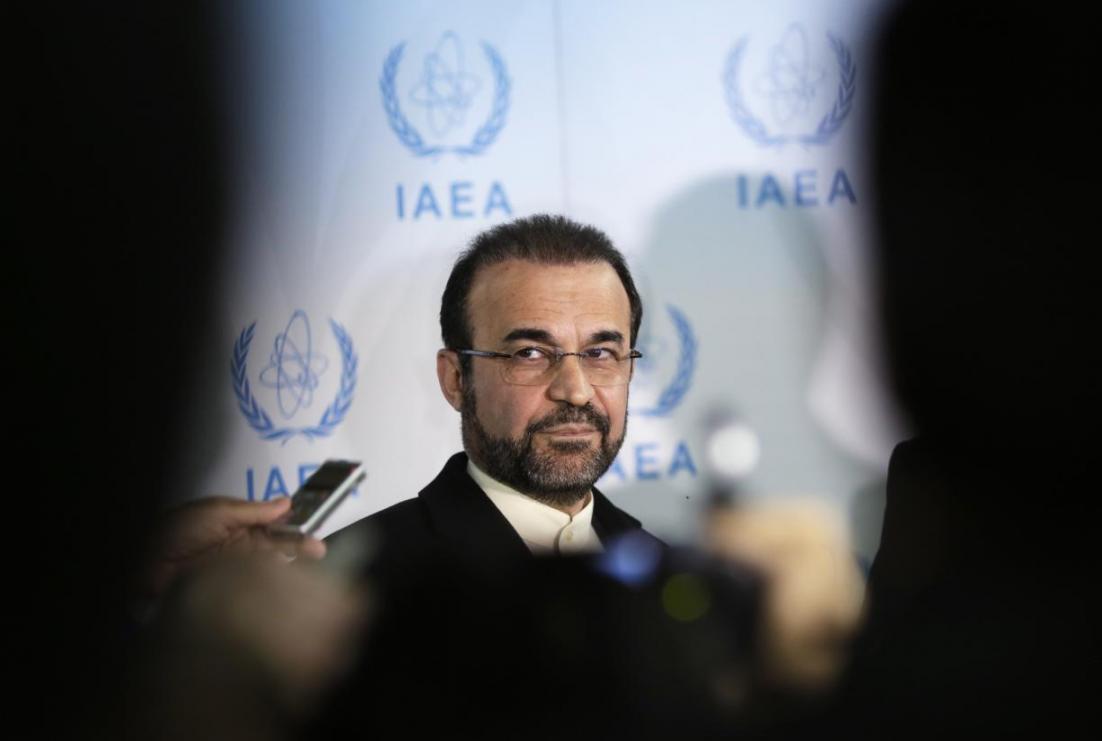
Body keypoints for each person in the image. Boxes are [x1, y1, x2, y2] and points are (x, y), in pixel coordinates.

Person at [330, 215, 662, 579]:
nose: (576, 392)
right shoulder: (351, 585)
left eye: (600, 353)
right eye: (530, 354)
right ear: (456, 379)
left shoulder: (663, 570)